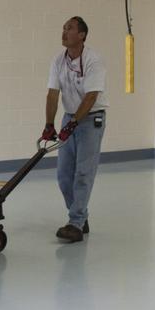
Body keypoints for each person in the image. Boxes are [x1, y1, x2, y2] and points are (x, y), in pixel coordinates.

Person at [39, 16, 107, 243]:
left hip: (90, 120)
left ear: (82, 35)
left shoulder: (93, 60)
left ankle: (75, 222)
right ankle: (79, 215)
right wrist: (49, 124)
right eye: (63, 27)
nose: (64, 31)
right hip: (70, 118)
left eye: (70, 28)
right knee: (63, 175)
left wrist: (74, 123)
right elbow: (52, 94)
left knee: (83, 173)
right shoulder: (58, 61)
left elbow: (91, 96)